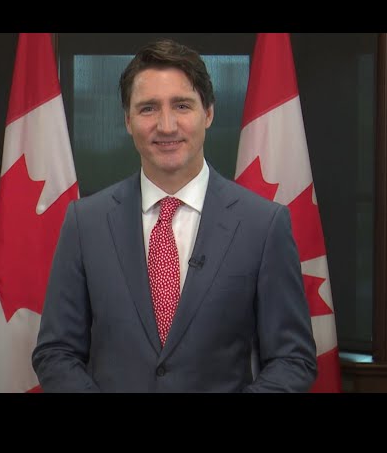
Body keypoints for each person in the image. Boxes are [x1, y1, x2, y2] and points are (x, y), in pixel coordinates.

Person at [32, 38, 317, 392]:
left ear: (208, 113)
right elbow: (56, 351)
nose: (166, 126)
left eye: (182, 105)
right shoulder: (85, 222)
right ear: (127, 120)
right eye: (148, 108)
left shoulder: (263, 224)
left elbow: (293, 359)